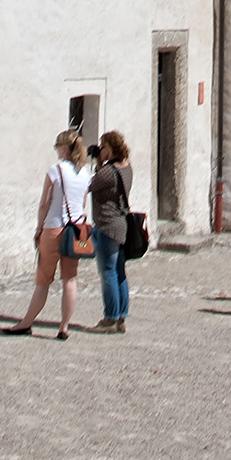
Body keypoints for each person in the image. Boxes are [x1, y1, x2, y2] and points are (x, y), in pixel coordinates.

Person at [5, 129, 90, 338]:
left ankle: (26, 322)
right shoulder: (85, 172)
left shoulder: (55, 170)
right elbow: (83, 203)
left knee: (44, 279)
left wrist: (39, 228)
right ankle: (64, 326)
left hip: (54, 226)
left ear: (62, 148)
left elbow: (45, 203)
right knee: (70, 279)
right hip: (78, 229)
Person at [88, 130, 133, 332]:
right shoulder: (127, 168)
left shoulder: (108, 172)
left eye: (103, 146)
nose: (101, 149)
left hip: (107, 225)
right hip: (121, 224)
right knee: (119, 271)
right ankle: (121, 316)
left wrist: (98, 162)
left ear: (110, 148)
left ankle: (110, 318)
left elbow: (90, 185)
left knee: (108, 271)